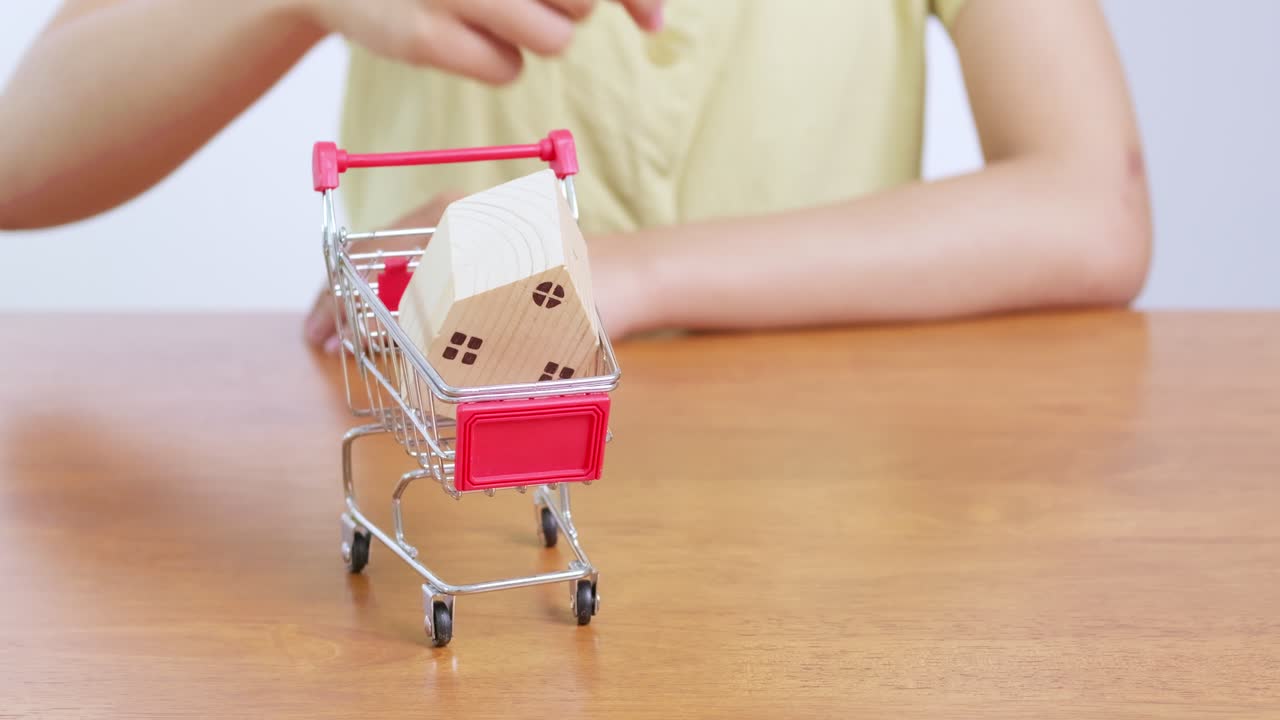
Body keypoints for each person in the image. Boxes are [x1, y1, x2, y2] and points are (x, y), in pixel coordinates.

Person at [0, 1, 1150, 351]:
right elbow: (22, 164)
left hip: (819, 511)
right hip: (451, 460)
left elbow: (1087, 205)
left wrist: (620, 272)